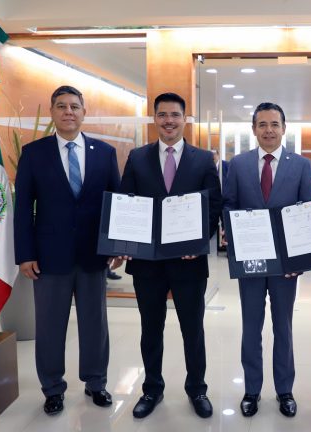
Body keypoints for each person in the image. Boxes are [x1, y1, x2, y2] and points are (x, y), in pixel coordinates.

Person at [114, 92, 221, 419]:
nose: (169, 121)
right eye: (162, 115)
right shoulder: (138, 157)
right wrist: (124, 243)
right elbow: (126, 202)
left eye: (175, 115)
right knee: (150, 329)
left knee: (193, 329)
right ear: (155, 119)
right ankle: (152, 389)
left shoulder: (203, 159)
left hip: (190, 262)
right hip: (147, 263)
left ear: (184, 119)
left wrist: (197, 243)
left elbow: (214, 206)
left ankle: (197, 389)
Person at [14, 85, 120, 415]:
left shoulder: (104, 153)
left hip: (93, 256)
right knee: (49, 325)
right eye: (61, 106)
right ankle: (52, 388)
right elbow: (22, 208)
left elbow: (116, 203)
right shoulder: (34, 153)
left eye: (74, 106)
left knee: (95, 324)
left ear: (84, 112)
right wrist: (25, 254)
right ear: (52, 113)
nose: (68, 112)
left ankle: (96, 382)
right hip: (48, 257)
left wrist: (117, 245)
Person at [223, 102, 311, 417]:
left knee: (283, 327)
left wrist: (299, 261)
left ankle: (284, 390)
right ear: (253, 129)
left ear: (284, 128)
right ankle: (251, 390)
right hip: (250, 260)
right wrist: (231, 232)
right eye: (262, 124)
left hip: (285, 266)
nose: (269, 130)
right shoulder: (238, 165)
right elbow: (229, 205)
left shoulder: (300, 165)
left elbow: (307, 213)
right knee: (251, 327)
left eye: (274, 124)